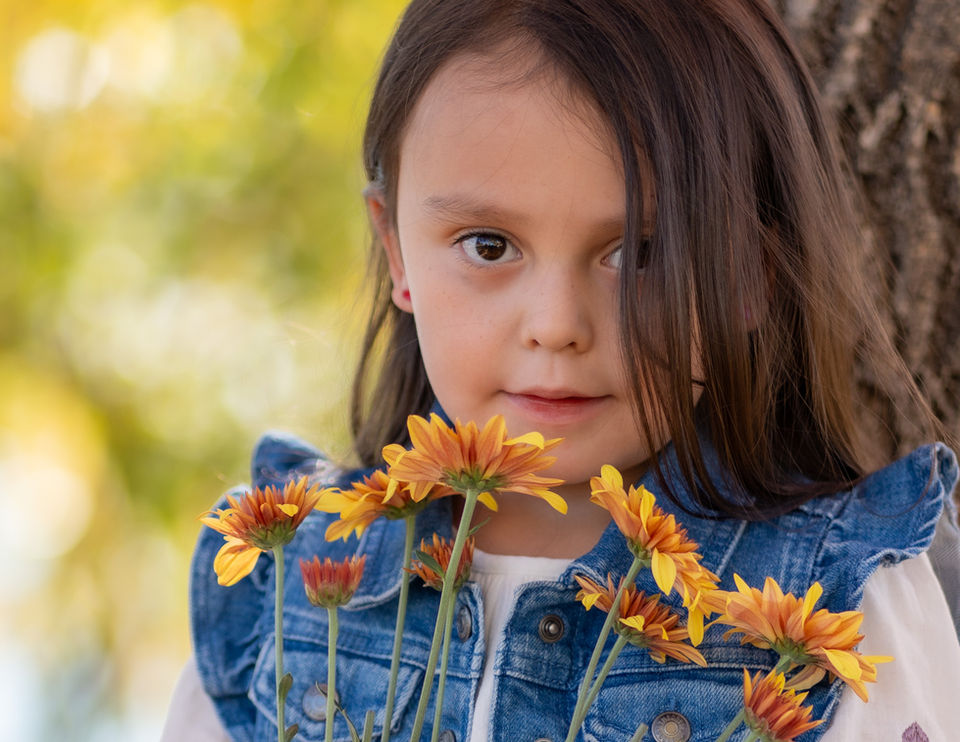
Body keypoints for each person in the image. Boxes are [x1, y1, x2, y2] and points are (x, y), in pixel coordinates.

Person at [162, 1, 960, 740]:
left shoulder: (841, 602)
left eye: (640, 253)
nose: (556, 326)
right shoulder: (276, 591)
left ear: (751, 274)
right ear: (395, 249)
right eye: (488, 245)